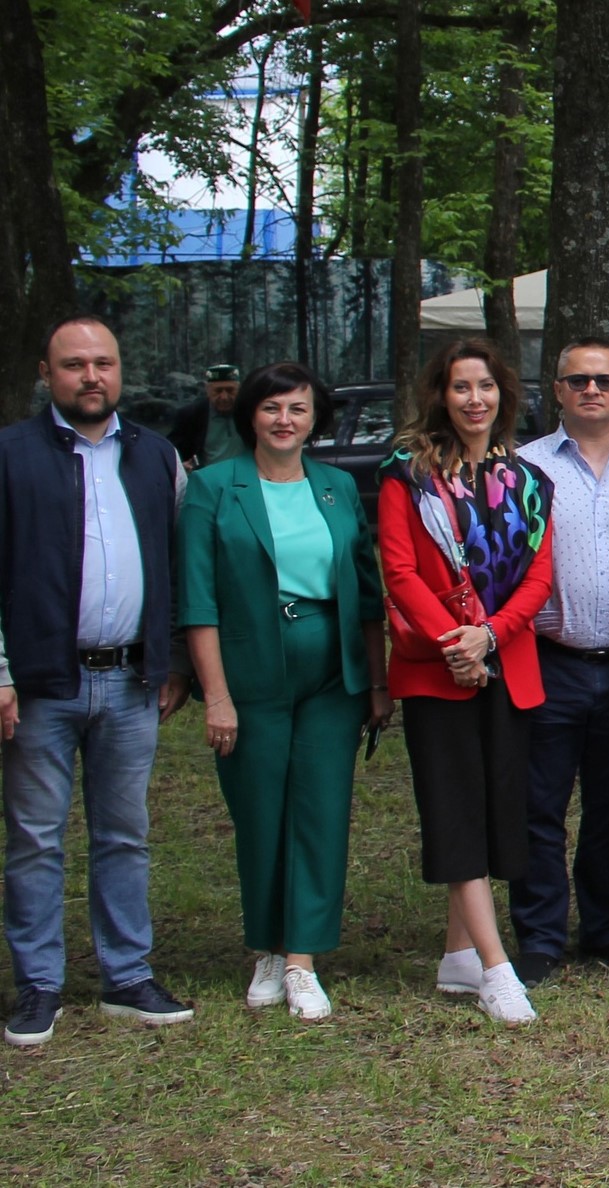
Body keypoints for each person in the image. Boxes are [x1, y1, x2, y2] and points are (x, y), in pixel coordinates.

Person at [1, 315, 195, 1047]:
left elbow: (180, 567)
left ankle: (126, 974)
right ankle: (39, 985)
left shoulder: (155, 457)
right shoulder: (11, 455)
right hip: (41, 682)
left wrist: (173, 659)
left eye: (104, 363)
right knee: (34, 840)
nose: (92, 377)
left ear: (120, 370)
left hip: (129, 683)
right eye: (75, 364)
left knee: (124, 835)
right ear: (48, 375)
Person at [178, 361, 391, 1022]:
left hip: (331, 671)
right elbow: (198, 601)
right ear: (250, 415)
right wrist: (215, 696)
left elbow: (367, 596)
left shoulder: (336, 487)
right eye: (271, 408)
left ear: (314, 418)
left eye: (297, 409)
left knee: (321, 811)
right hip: (250, 673)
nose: (284, 420)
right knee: (260, 813)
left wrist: (378, 683)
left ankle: (302, 958)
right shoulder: (214, 488)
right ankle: (267, 947)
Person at [379, 337, 555, 1026]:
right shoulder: (407, 474)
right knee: (456, 814)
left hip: (506, 665)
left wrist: (490, 635)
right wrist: (456, 642)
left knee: (496, 815)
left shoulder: (530, 480)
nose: (473, 399)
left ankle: (457, 954)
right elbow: (399, 571)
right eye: (460, 388)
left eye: (485, 386)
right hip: (436, 671)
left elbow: (540, 577)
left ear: (502, 395)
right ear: (440, 396)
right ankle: (495, 967)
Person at [509, 338, 609, 985]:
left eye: (604, 380)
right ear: (557, 390)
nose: (591, 390)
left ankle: (605, 928)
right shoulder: (521, 469)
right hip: (550, 659)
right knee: (540, 806)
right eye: (577, 380)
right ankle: (542, 937)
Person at [170, 362, 246, 469]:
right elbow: (171, 449)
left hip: (245, 477)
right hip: (206, 478)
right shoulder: (191, 415)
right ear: (208, 390)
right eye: (218, 391)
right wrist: (180, 466)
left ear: (239, 390)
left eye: (230, 390)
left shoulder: (250, 412)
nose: (224, 397)